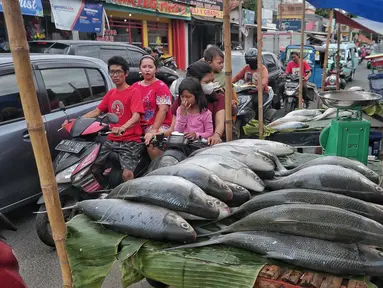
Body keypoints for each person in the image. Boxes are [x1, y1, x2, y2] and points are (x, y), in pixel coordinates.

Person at [64, 56, 144, 182]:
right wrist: (75, 121)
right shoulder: (111, 93)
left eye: (118, 72)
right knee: (90, 167)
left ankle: (130, 196)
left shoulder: (134, 92)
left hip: (130, 141)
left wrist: (123, 127)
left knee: (127, 175)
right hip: (111, 139)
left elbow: (136, 115)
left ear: (126, 73)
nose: (115, 75)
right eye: (112, 72)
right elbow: (97, 111)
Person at [168, 61, 225, 145]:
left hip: (207, 144)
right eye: (207, 82)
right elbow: (174, 128)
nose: (211, 85)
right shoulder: (182, 101)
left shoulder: (218, 99)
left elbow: (219, 123)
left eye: (212, 81)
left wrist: (216, 136)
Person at [131, 55, 173, 160]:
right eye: (144, 67)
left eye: (150, 67)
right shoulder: (134, 87)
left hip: (159, 125)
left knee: (152, 143)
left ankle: (157, 169)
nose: (147, 70)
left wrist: (154, 129)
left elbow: (163, 110)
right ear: (140, 69)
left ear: (156, 69)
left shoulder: (161, 86)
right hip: (138, 125)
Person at [202, 45, 239, 123]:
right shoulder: (201, 74)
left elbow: (233, 98)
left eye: (223, 63)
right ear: (209, 63)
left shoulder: (226, 76)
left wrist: (232, 103)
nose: (222, 65)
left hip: (224, 114)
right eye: (219, 63)